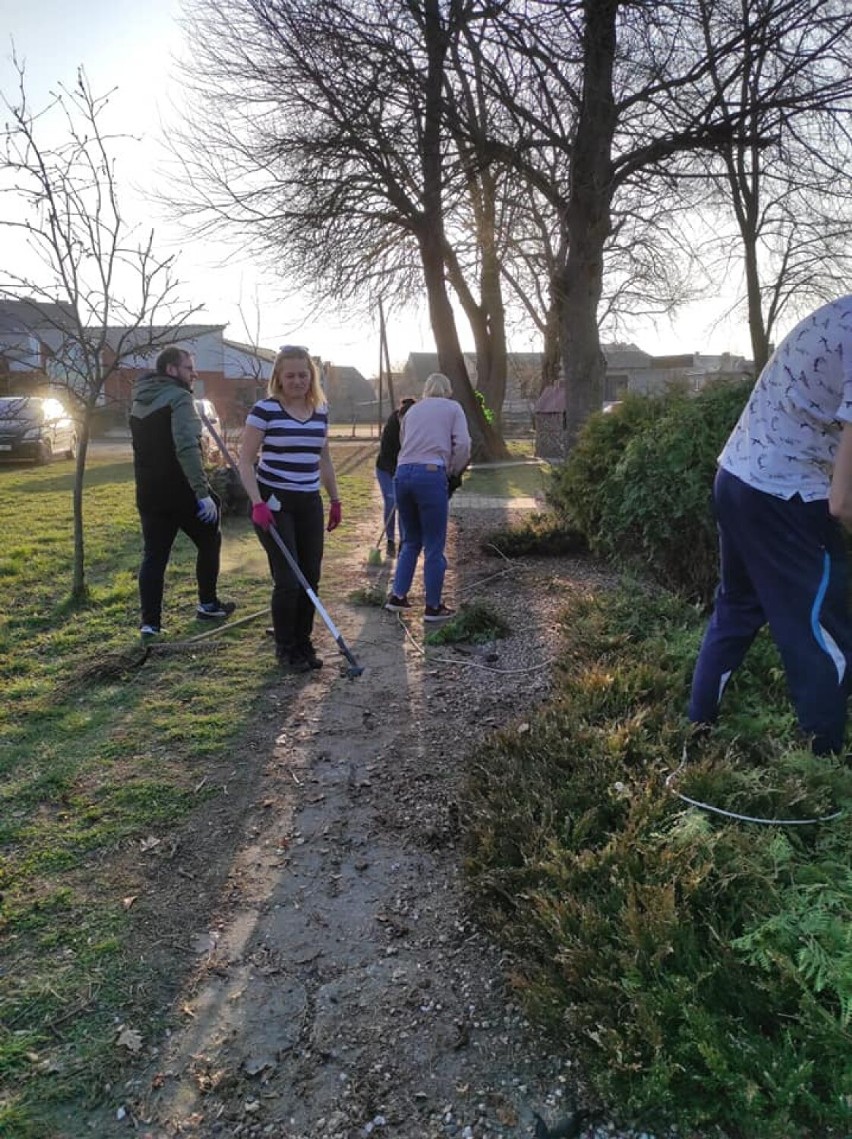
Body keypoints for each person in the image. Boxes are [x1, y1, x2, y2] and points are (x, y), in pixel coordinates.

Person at [689, 295, 852, 756]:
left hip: (736, 479)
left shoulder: (841, 313)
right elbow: (841, 502)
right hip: (787, 498)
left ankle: (694, 736)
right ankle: (826, 774)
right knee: (823, 635)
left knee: (736, 612)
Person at [238, 345, 342, 673]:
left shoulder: (320, 410)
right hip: (273, 502)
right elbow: (244, 461)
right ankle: (285, 648)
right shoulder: (265, 410)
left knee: (310, 575)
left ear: (312, 376)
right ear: (279, 378)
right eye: (291, 375)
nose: (298, 381)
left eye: (303, 374)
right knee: (289, 579)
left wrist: (335, 499)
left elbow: (323, 458)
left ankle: (303, 641)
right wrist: (256, 502)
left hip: (309, 501)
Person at [130, 344, 235, 637]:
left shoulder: (139, 399)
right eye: (189, 368)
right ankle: (207, 604)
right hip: (180, 490)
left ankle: (150, 624)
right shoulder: (178, 397)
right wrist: (202, 492)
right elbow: (186, 447)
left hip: (148, 491)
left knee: (154, 555)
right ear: (171, 370)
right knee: (210, 538)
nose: (195, 373)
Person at [385, 372, 471, 622]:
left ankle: (398, 595)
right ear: (448, 390)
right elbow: (463, 444)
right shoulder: (453, 408)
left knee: (411, 540)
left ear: (426, 389)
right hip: (431, 474)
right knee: (434, 543)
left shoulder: (412, 411)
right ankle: (433, 606)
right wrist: (453, 470)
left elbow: (404, 442)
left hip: (402, 474)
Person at [375, 396, 416, 557]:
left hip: (403, 470)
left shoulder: (416, 428)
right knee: (392, 501)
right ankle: (390, 540)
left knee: (403, 504)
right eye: (403, 421)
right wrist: (396, 474)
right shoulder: (392, 427)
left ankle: (404, 542)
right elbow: (385, 455)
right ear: (399, 417)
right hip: (386, 469)